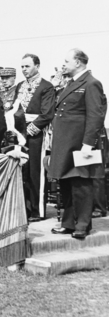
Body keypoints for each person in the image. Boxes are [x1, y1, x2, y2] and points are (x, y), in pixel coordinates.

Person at [49, 49, 107, 240]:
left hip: (80, 144)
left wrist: (88, 144)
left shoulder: (91, 83)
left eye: (67, 61)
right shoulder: (71, 84)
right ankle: (68, 223)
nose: (63, 64)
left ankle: (82, 225)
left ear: (79, 63)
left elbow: (96, 115)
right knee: (66, 182)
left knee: (81, 184)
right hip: (66, 143)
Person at [15, 54, 55, 221]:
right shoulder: (19, 85)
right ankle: (25, 207)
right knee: (23, 171)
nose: (24, 69)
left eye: (27, 66)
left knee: (35, 172)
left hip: (36, 133)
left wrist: (30, 130)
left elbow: (47, 114)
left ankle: (38, 211)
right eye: (22, 66)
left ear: (37, 66)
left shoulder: (46, 86)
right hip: (19, 133)